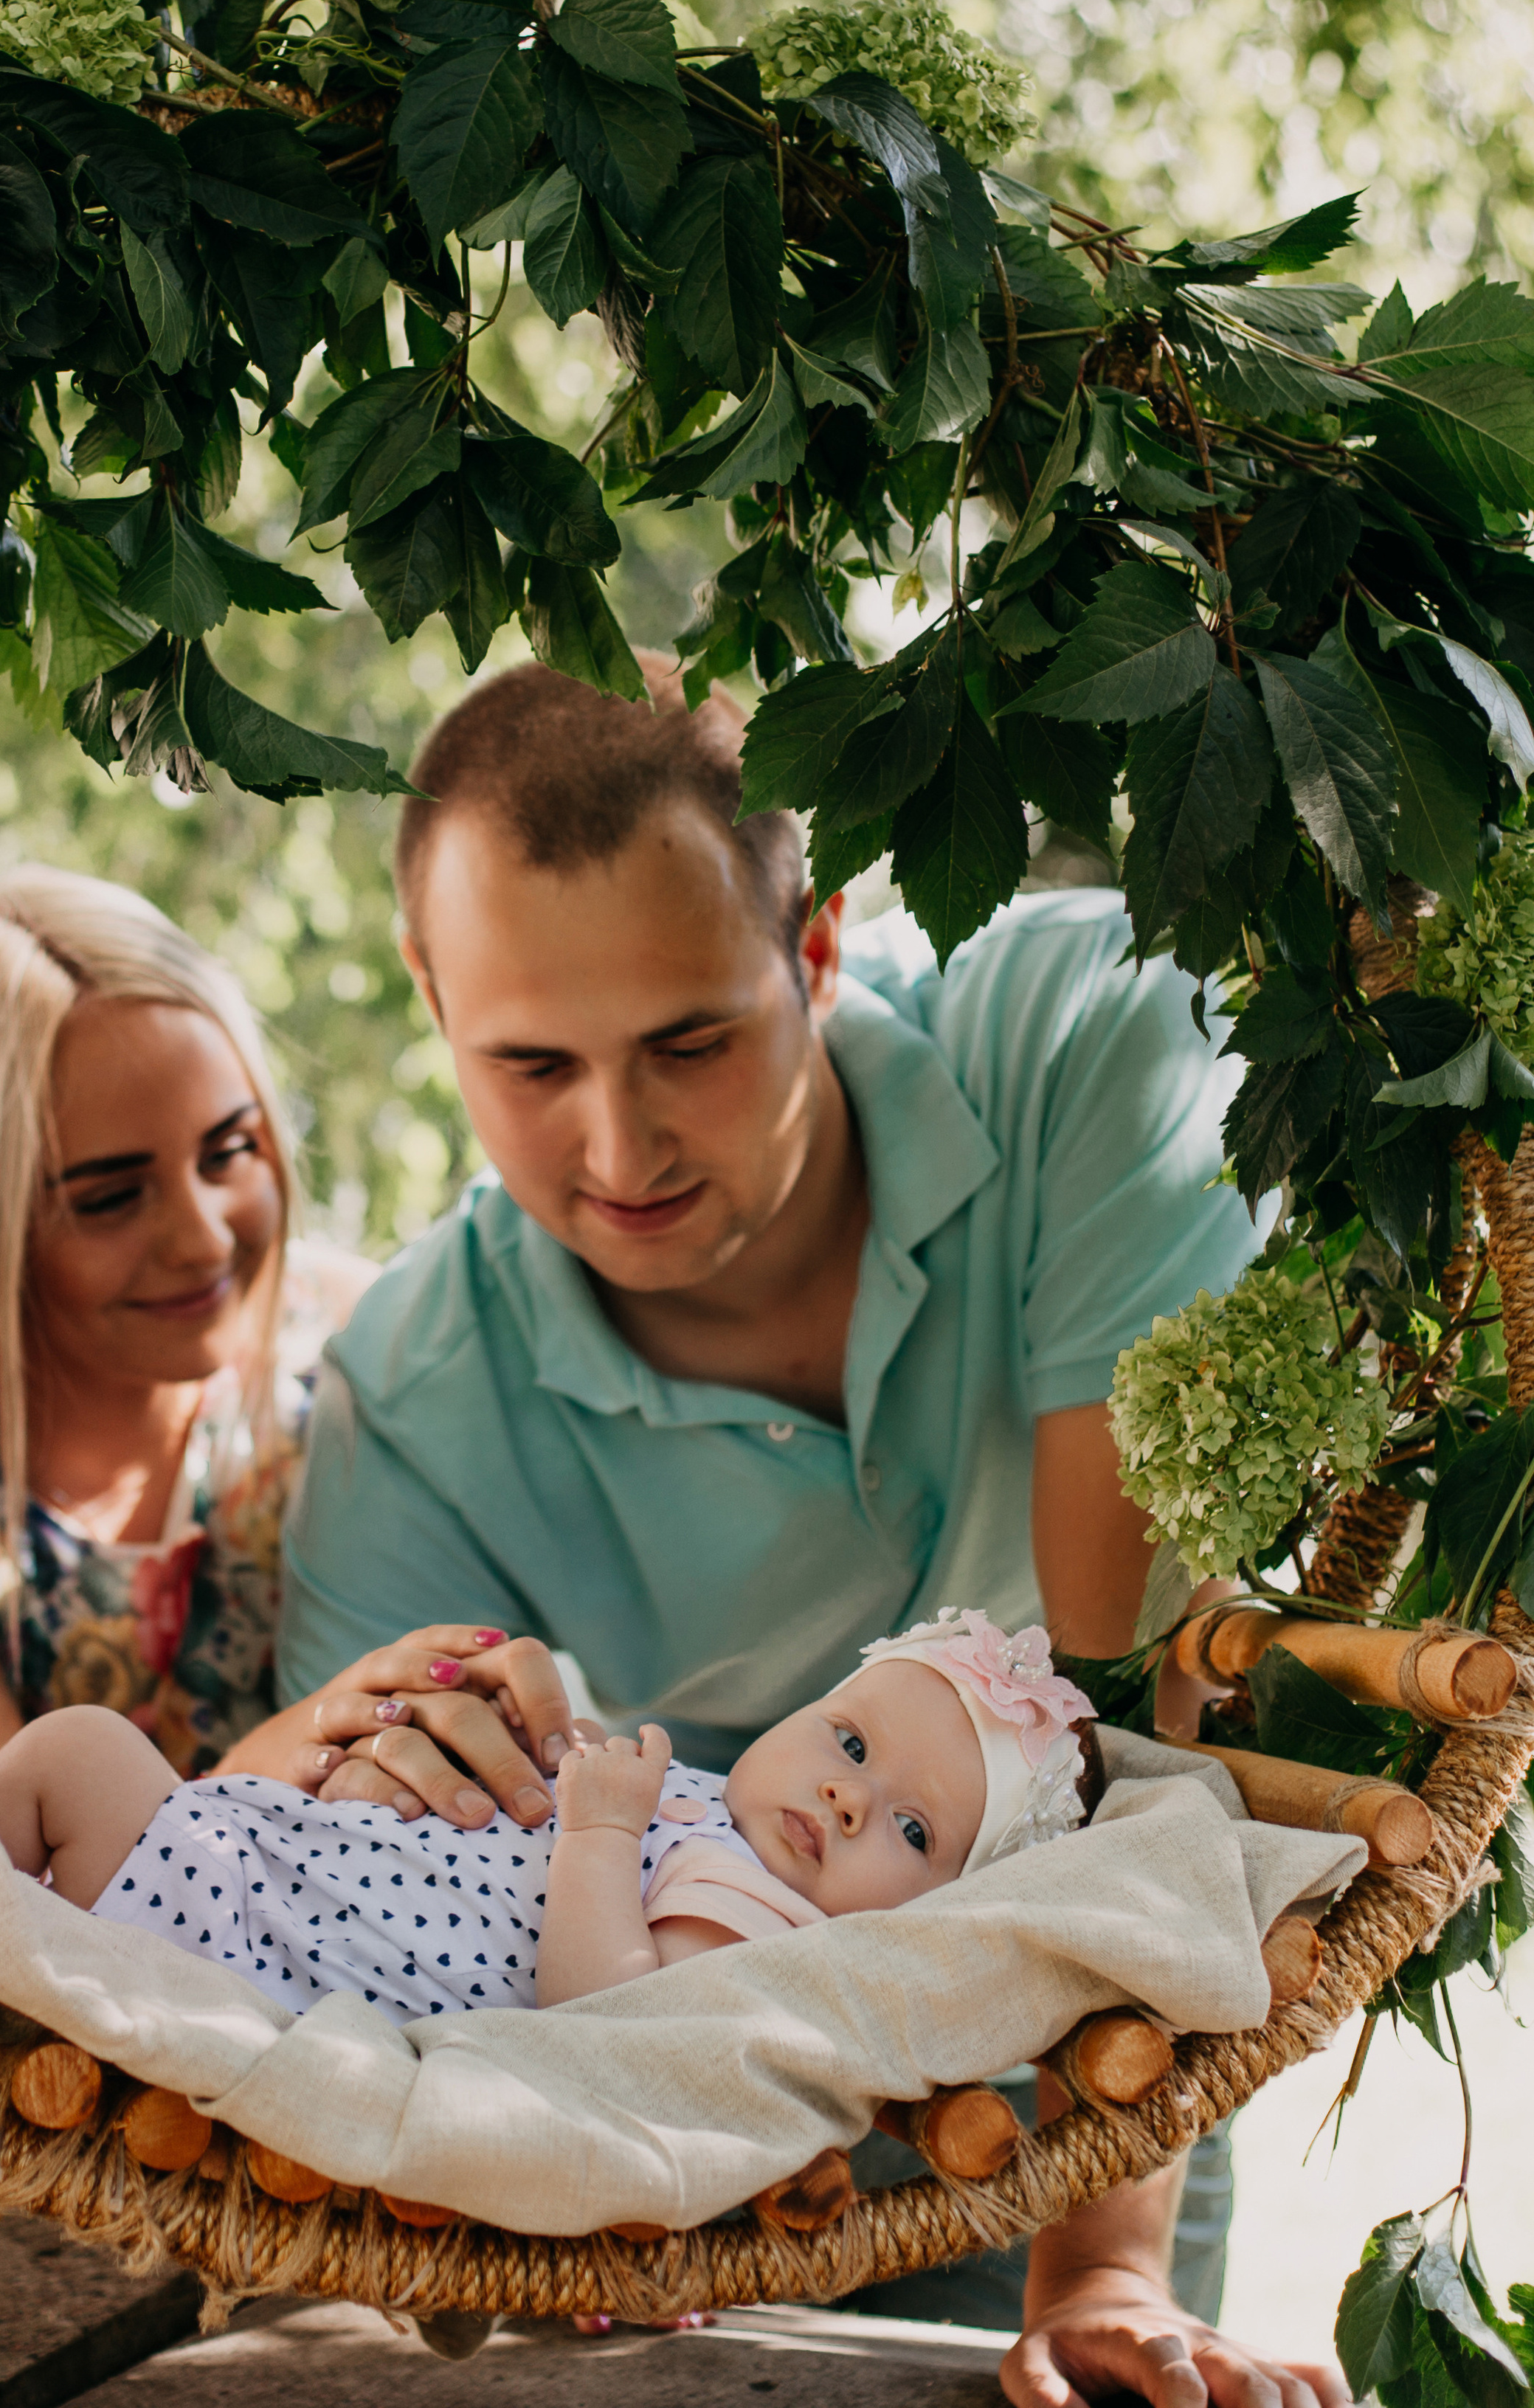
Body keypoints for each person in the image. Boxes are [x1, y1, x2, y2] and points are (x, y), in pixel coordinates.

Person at [263, 660, 1336, 2408]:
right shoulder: (410, 1401)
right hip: (661, 2140)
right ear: (426, 992)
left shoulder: (1090, 1047)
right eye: (529, 1062)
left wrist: (1102, 2267)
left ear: (816, 937)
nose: (618, 1149)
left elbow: (1142, 1702)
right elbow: (365, 1932)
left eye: (688, 1041)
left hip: (1091, 2081)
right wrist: (400, 1747)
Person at [0, 865, 566, 1802]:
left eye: (232, 1149)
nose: (205, 1235)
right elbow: (15, 1924)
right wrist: (286, 1763)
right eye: (111, 1197)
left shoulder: (360, 1350)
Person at [0, 1610, 1094, 2015]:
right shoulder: (711, 1810)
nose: (850, 1797)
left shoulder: (766, 1927)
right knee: (82, 1758)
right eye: (848, 1740)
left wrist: (600, 1834)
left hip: (271, 1945)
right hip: (279, 1865)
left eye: (913, 1832)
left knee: (81, 1755)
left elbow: (616, 2021)